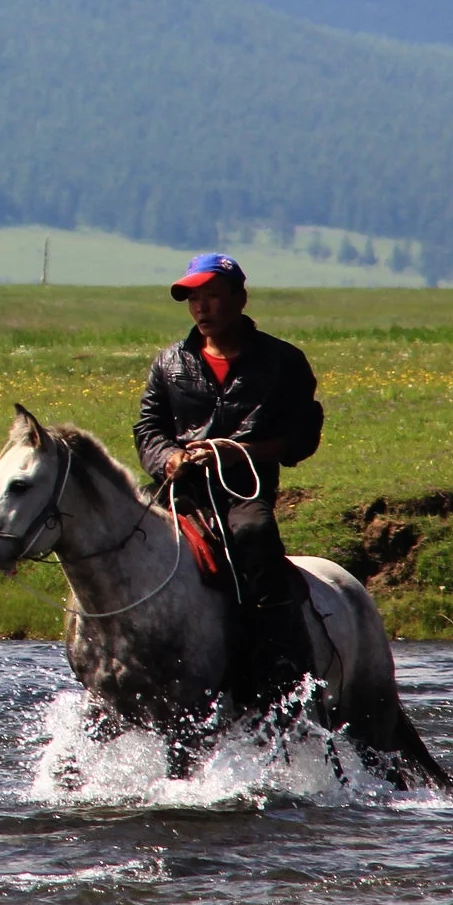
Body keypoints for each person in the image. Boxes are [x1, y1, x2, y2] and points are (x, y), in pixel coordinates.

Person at [134, 253, 326, 709]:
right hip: (180, 488)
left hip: (245, 489)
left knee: (255, 533)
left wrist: (247, 452)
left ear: (240, 298)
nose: (201, 307)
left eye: (212, 296)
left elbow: (305, 432)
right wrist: (169, 457)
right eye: (193, 299)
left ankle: (280, 660)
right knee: (127, 533)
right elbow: (147, 429)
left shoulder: (283, 361)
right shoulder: (170, 362)